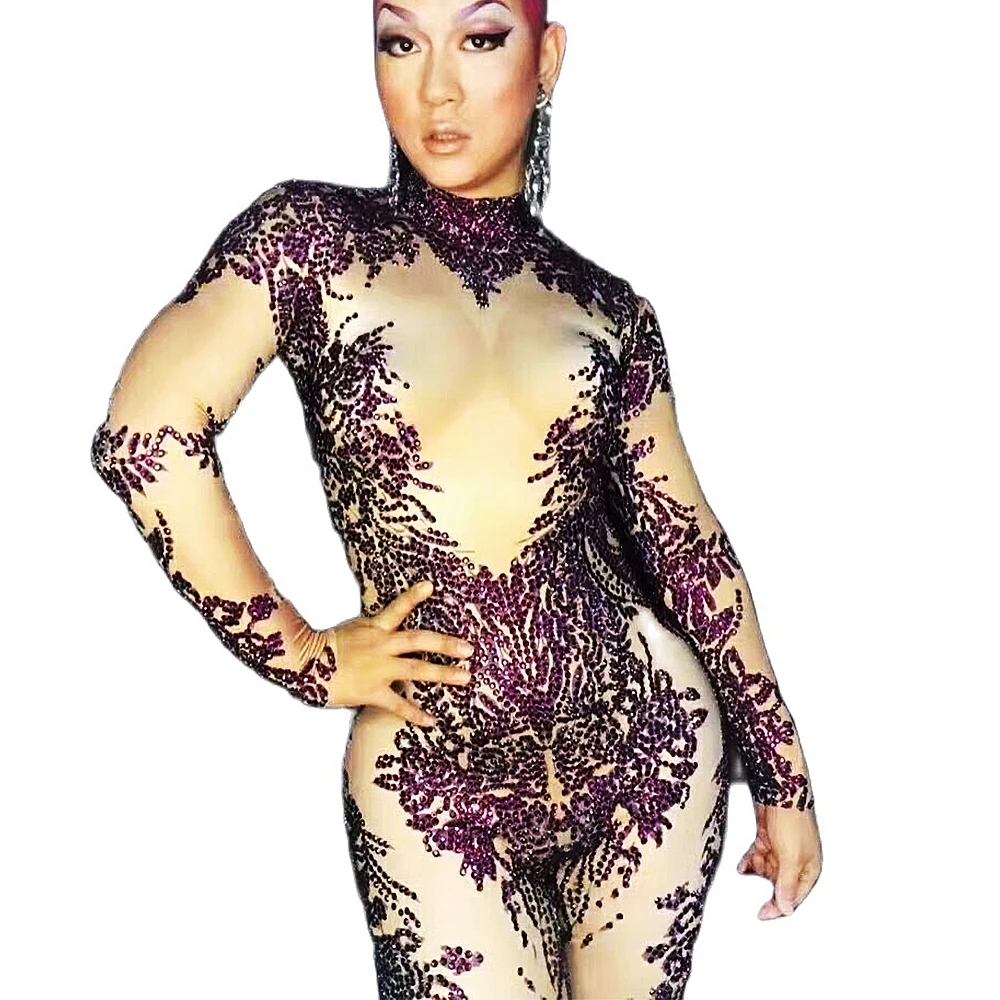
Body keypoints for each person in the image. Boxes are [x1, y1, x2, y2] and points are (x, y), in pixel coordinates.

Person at [90, 1, 822, 996]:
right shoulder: (310, 241)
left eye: (480, 40)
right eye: (401, 42)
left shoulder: (610, 310)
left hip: (649, 745)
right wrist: (302, 654)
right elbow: (145, 437)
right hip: (434, 776)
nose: (436, 87)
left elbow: (687, 546)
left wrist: (782, 774)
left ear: (546, 58)